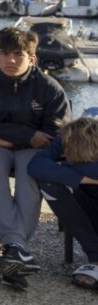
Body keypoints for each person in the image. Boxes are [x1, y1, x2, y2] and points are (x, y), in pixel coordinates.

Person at [0, 26, 69, 290]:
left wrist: (9, 138)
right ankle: (17, 248)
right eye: (4, 53)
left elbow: (56, 133)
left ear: (32, 59)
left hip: (30, 149)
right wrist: (24, 136)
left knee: (30, 175)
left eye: (17, 55)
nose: (10, 60)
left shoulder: (49, 88)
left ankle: (13, 250)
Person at [29, 116, 98, 291]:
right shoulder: (67, 135)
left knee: (54, 175)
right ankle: (95, 258)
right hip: (88, 200)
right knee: (50, 182)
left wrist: (67, 169)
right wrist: (82, 178)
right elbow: (36, 165)